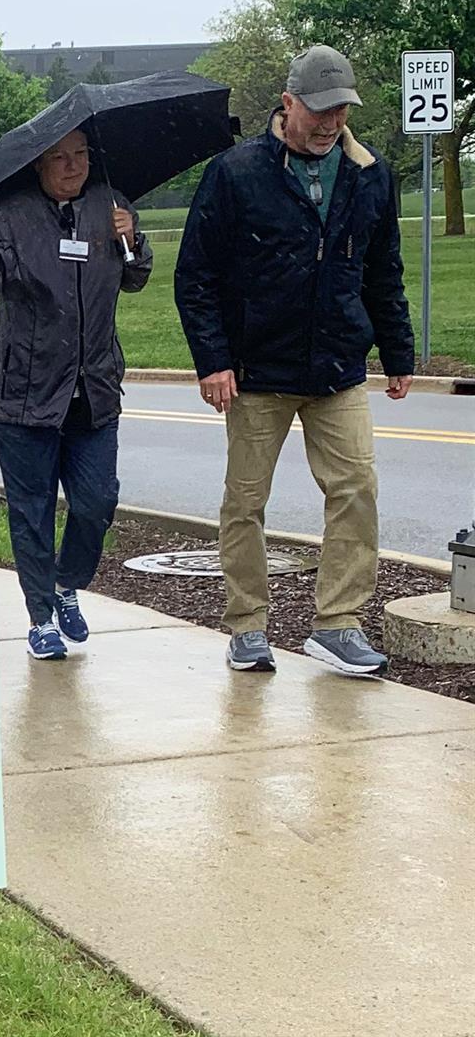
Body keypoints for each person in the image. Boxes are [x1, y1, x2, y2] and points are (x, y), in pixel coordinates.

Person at [175, 45, 414, 678]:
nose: (331, 123)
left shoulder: (370, 173)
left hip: (337, 367)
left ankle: (338, 623)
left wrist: (397, 351)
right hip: (257, 372)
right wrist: (214, 360)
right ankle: (247, 626)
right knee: (246, 502)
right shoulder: (236, 172)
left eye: (341, 110)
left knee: (356, 489)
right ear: (288, 104)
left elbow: (382, 271)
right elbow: (195, 275)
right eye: (319, 110)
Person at [0, 129, 153, 659]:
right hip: (25, 393)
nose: (72, 166)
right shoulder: (12, 215)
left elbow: (135, 277)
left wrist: (131, 239)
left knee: (97, 502)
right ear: (39, 166)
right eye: (59, 158)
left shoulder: (109, 205)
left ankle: (66, 583)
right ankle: (40, 616)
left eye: (81, 155)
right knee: (32, 510)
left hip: (92, 390)